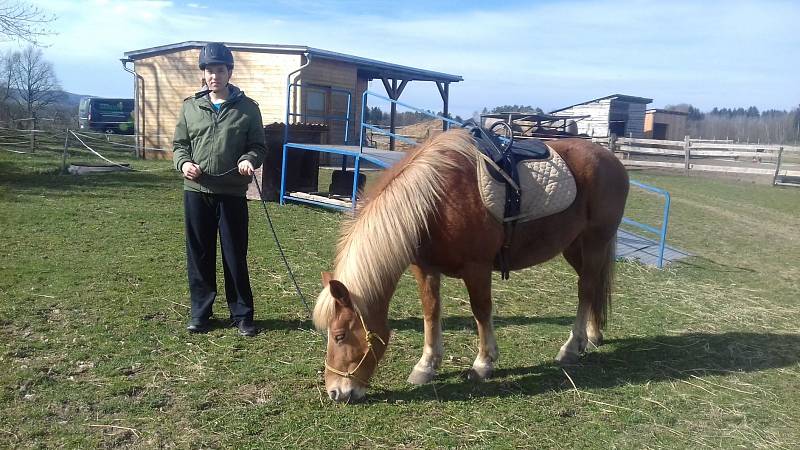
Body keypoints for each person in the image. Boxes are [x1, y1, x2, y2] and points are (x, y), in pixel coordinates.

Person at [172, 42, 266, 336]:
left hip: (232, 193)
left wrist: (249, 160)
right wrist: (184, 163)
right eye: (209, 70)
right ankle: (201, 314)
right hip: (196, 192)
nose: (214, 75)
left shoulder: (248, 109)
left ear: (229, 72)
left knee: (234, 255)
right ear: (204, 74)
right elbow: (179, 146)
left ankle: (242, 315)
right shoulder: (190, 107)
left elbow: (258, 147)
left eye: (220, 70)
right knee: (199, 255)